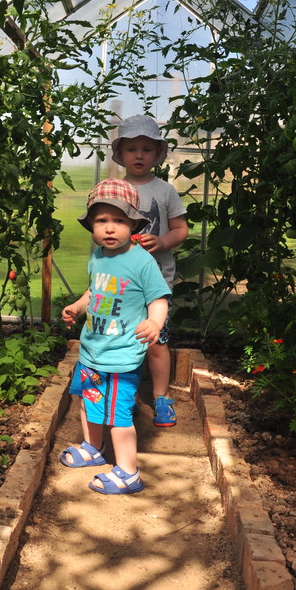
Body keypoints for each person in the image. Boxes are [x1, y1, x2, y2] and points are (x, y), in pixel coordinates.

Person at [60, 178, 170, 495]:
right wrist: (79, 307)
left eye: (119, 220)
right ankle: (93, 448)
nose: (110, 228)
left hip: (122, 356)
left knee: (119, 416)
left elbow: (159, 298)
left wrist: (154, 322)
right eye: (102, 221)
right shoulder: (98, 256)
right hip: (93, 350)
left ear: (133, 223)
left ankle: (128, 471)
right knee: (89, 403)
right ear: (92, 226)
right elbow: (95, 290)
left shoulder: (141, 261)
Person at [111, 115, 188, 428]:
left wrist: (162, 241)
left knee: (156, 343)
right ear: (121, 154)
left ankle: (160, 397)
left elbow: (181, 229)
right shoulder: (113, 190)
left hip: (155, 286)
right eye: (132, 149)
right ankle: (123, 397)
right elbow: (102, 226)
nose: (139, 155)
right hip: (120, 285)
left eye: (146, 148)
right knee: (120, 342)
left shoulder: (165, 191)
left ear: (158, 154)